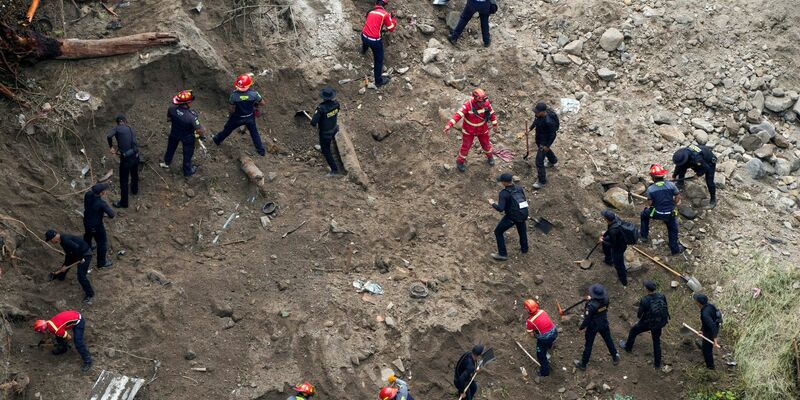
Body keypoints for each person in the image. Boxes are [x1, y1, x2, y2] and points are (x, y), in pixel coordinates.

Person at [443, 88, 499, 172]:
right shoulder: (468, 105)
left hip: (482, 130)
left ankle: (490, 157)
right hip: (469, 131)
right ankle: (460, 162)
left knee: (486, 144)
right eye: (480, 102)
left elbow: (492, 114)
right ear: (476, 100)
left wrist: (495, 125)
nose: (483, 104)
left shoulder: (486, 104)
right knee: (466, 147)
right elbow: (458, 115)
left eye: (483, 101)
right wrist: (449, 125)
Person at [212, 73, 267, 156]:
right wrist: (255, 103)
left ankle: (217, 140)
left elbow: (231, 108)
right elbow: (263, 103)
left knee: (227, 129)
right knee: (254, 133)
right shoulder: (254, 94)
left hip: (237, 117)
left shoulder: (234, 95)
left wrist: (231, 116)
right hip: (249, 117)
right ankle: (261, 151)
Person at [619, 280, 669, 369]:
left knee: (633, 331)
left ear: (647, 289)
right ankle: (657, 364)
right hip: (658, 323)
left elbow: (639, 315)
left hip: (647, 323)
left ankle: (628, 348)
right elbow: (666, 308)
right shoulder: (662, 296)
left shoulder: (644, 300)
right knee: (656, 341)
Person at [640, 163, 684, 255]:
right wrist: (674, 203)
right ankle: (675, 250)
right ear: (663, 175)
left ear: (653, 177)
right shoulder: (671, 185)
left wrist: (652, 202)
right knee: (673, 229)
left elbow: (650, 203)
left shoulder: (651, 189)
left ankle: (644, 236)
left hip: (657, 213)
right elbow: (678, 196)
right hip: (670, 214)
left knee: (644, 214)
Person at [574, 284, 620, 370]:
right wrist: (591, 300)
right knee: (608, 339)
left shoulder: (591, 306)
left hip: (593, 326)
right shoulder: (606, 299)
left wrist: (581, 328)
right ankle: (615, 356)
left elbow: (587, 319)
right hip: (603, 322)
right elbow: (603, 308)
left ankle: (583, 364)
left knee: (589, 345)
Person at [161, 90, 206, 177]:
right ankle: (187, 172)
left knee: (170, 148)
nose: (192, 103)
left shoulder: (171, 108)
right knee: (187, 154)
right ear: (187, 103)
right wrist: (202, 136)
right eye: (191, 101)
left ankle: (166, 162)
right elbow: (199, 130)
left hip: (174, 133)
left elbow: (169, 119)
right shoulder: (191, 117)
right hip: (187, 137)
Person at [45, 230, 94, 304]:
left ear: (53, 238)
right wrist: (65, 265)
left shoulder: (65, 240)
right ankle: (60, 276)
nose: (51, 242)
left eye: (50, 240)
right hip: (78, 253)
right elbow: (69, 254)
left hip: (85, 254)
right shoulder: (62, 240)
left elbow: (77, 248)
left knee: (81, 275)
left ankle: (90, 294)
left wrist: (80, 259)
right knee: (66, 265)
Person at [488, 173, 528, 261]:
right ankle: (524, 249)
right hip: (522, 214)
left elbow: (500, 209)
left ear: (505, 183)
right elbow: (523, 200)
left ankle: (502, 254)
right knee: (522, 232)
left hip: (512, 217)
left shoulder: (504, 193)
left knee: (498, 232)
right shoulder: (519, 188)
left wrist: (492, 203)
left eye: (502, 181)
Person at [361, 0, 396, 87]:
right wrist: (393, 19)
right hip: (374, 41)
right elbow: (391, 28)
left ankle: (363, 51)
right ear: (384, 5)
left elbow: (371, 23)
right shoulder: (385, 14)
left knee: (365, 41)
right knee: (378, 60)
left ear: (376, 3)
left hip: (364, 36)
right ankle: (378, 81)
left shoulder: (370, 11)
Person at [106, 114, 139, 208]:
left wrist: (111, 147)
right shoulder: (130, 129)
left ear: (118, 123)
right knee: (134, 174)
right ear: (125, 121)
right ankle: (135, 190)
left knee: (123, 181)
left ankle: (124, 203)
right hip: (135, 157)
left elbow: (109, 136)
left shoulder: (117, 129)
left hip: (126, 160)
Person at [310, 86, 341, 176]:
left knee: (326, 151)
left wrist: (316, 118)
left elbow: (313, 123)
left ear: (323, 97)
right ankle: (323, 148)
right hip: (334, 128)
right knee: (327, 143)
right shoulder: (336, 104)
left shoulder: (321, 109)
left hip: (325, 134)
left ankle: (334, 170)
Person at [83, 183, 114, 269]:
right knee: (102, 243)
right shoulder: (101, 203)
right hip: (96, 226)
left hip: (86, 221)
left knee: (87, 236)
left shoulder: (87, 195)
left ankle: (86, 249)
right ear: (101, 193)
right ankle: (101, 263)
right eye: (104, 191)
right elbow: (112, 214)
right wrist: (104, 214)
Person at [529, 102, 559, 189]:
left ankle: (542, 181)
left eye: (537, 112)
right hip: (539, 137)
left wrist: (547, 146)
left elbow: (553, 135)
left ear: (543, 111)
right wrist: (530, 128)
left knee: (539, 161)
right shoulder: (539, 115)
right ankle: (553, 161)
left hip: (545, 141)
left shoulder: (549, 122)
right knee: (545, 150)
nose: (536, 113)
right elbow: (536, 121)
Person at [524, 299, 558, 376]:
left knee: (540, 355)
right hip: (555, 332)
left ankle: (545, 372)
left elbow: (531, 334)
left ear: (528, 310)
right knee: (548, 341)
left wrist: (536, 336)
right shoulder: (542, 311)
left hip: (545, 339)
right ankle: (549, 346)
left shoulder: (530, 321)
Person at [693, 293, 721, 369]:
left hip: (711, 331)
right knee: (706, 346)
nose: (695, 302)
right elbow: (706, 323)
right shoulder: (709, 306)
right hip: (711, 327)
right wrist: (702, 330)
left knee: (706, 350)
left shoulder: (705, 313)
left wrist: (715, 340)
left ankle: (710, 368)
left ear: (699, 303)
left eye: (696, 301)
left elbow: (712, 326)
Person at [600, 210, 627, 287]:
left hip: (619, 247)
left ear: (607, 219)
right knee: (605, 242)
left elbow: (612, 244)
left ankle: (624, 281)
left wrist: (602, 241)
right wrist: (604, 236)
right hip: (618, 240)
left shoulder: (613, 231)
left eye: (604, 217)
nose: (603, 218)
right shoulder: (615, 220)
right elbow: (609, 230)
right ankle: (608, 260)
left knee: (619, 264)